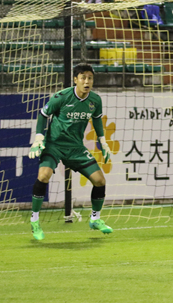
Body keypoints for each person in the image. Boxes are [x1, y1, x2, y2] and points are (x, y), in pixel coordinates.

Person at [27, 64, 113, 240]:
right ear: (75, 80)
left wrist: (103, 141)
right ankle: (34, 220)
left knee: (100, 180)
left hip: (76, 148)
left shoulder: (95, 100)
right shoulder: (61, 97)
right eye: (83, 77)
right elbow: (43, 114)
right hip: (54, 145)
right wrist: (38, 137)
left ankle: (95, 219)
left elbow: (97, 120)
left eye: (90, 78)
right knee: (44, 176)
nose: (86, 81)